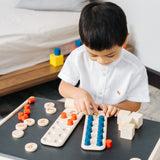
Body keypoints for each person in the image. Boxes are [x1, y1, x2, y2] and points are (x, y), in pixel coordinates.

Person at [58, 2, 150, 117]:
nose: (102, 61)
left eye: (110, 55)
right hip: (87, 114)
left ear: (125, 41)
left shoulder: (135, 67)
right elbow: (63, 87)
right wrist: (79, 93)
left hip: (116, 117)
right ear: (83, 42)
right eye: (93, 55)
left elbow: (135, 104)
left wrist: (116, 108)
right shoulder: (78, 55)